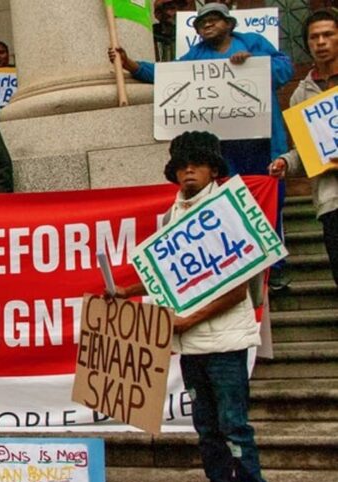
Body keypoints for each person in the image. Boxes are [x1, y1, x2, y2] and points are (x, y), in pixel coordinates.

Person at [110, 131, 275, 482]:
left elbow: (236, 290)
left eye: (197, 163)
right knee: (206, 430)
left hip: (226, 341)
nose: (188, 169)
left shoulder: (228, 211)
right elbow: (167, 277)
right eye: (182, 163)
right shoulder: (172, 216)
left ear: (213, 169)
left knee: (234, 425)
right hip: (192, 343)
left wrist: (186, 321)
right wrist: (126, 291)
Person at [109, 2, 294, 289]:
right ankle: (241, 266)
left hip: (262, 142)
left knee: (270, 200)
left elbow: (284, 69)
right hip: (226, 148)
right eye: (201, 22)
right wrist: (132, 65)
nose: (206, 25)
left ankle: (275, 267)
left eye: (214, 19)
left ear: (229, 24)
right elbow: (168, 76)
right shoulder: (196, 56)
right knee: (230, 206)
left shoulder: (253, 43)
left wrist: (256, 65)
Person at [270, 8, 338, 288]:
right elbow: (306, 151)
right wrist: (286, 162)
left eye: (328, 35)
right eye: (314, 37)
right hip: (331, 201)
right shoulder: (301, 94)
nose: (320, 42)